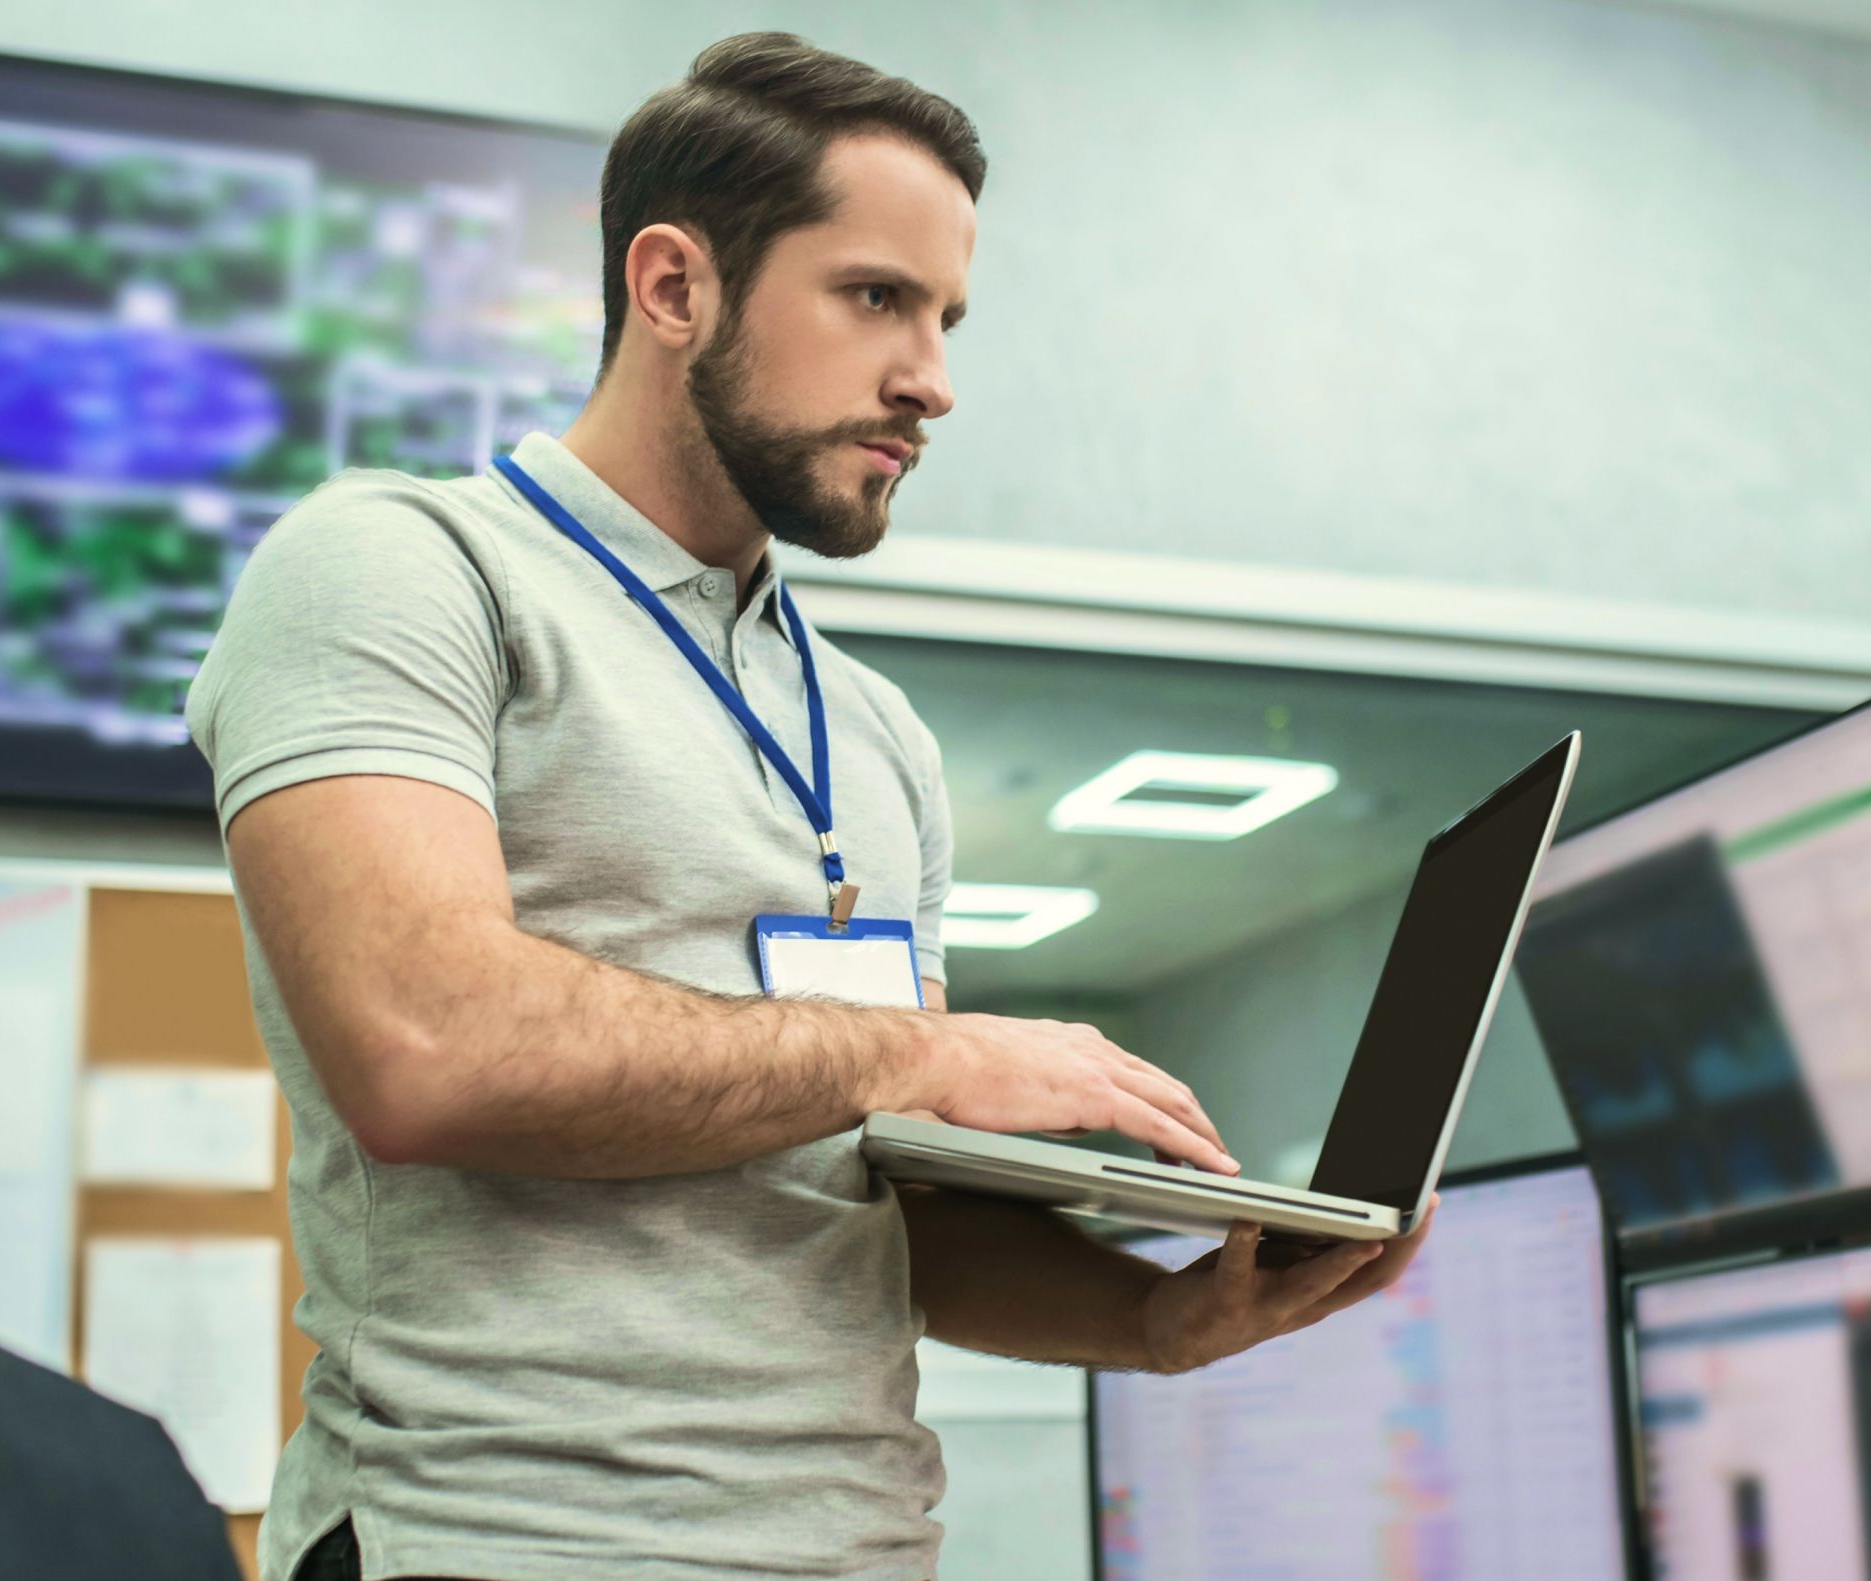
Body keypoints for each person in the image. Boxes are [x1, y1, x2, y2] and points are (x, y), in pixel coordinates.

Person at [186, 33, 1431, 1581]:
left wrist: (1169, 1315)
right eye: (875, 298)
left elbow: (863, 1196)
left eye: (948, 317)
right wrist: (931, 1048)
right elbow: (425, 1047)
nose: (935, 379)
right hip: (503, 1543)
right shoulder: (399, 566)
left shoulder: (875, 734)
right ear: (672, 289)